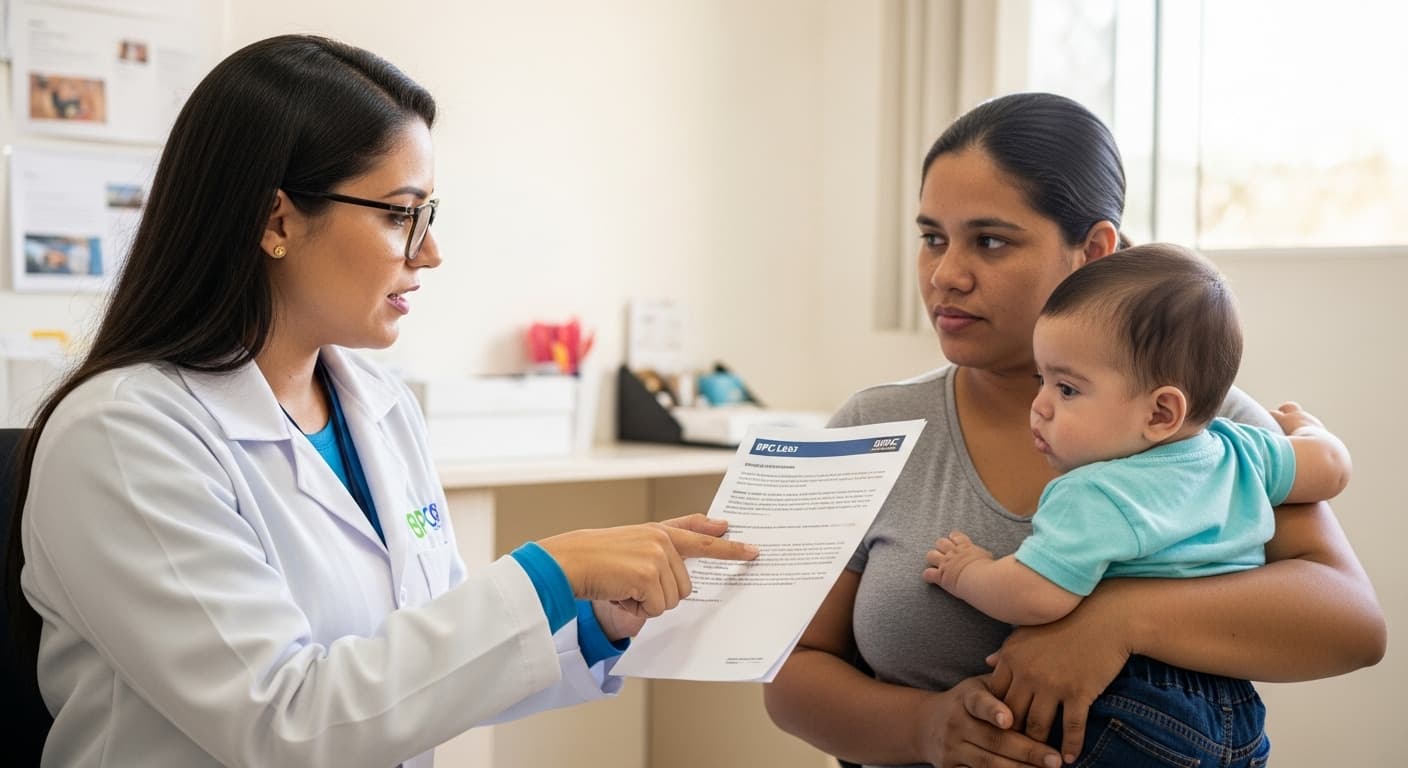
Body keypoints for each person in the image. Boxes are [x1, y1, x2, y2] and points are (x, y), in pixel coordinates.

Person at [2, 35, 757, 768]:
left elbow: (420, 672)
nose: (429, 252)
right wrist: (546, 573)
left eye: (429, 214)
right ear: (277, 221)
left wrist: (589, 621)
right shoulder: (123, 436)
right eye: (401, 214)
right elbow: (284, 724)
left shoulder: (378, 404)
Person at [762, 92, 1385, 768]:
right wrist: (925, 729)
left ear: (1093, 249)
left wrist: (1114, 622)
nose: (946, 275)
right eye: (932, 238)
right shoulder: (871, 425)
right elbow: (788, 670)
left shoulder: (1200, 423)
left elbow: (1350, 623)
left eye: (990, 241)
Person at [924, 243, 1352, 765]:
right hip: (1234, 710)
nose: (1039, 405)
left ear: (1161, 412)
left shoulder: (1092, 491)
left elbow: (1036, 595)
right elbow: (1329, 469)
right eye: (1043, 381)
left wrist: (969, 570)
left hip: (1129, 703)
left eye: (1067, 389)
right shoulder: (1241, 449)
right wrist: (1307, 428)